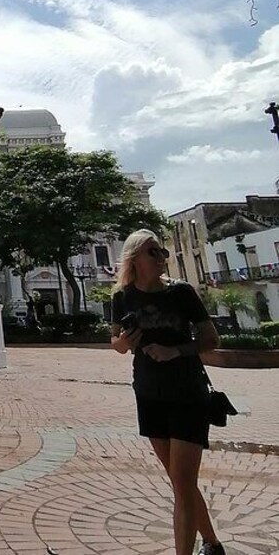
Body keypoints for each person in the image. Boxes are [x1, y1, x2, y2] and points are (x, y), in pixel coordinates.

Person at [110, 229, 223, 555]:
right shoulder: (122, 297)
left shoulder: (181, 292)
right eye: (153, 252)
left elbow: (211, 339)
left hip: (187, 392)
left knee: (183, 482)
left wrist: (176, 351)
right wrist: (123, 343)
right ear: (135, 259)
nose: (161, 258)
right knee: (179, 481)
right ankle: (213, 544)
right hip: (148, 392)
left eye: (162, 252)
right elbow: (115, 342)